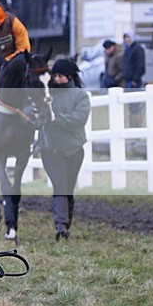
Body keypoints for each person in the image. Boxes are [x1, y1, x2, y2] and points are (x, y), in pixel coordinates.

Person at [37, 59, 91, 241]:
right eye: (55, 75)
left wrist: (56, 118)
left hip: (73, 149)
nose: (56, 79)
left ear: (69, 76)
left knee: (68, 187)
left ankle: (65, 224)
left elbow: (78, 120)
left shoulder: (80, 96)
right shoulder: (46, 93)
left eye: (60, 76)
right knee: (60, 185)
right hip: (50, 149)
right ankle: (60, 225)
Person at [122, 29, 145, 127]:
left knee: (135, 106)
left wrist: (135, 80)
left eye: (128, 37)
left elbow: (141, 66)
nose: (127, 40)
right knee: (130, 106)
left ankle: (137, 128)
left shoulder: (138, 49)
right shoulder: (128, 49)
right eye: (125, 37)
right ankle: (132, 128)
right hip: (127, 81)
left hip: (134, 82)